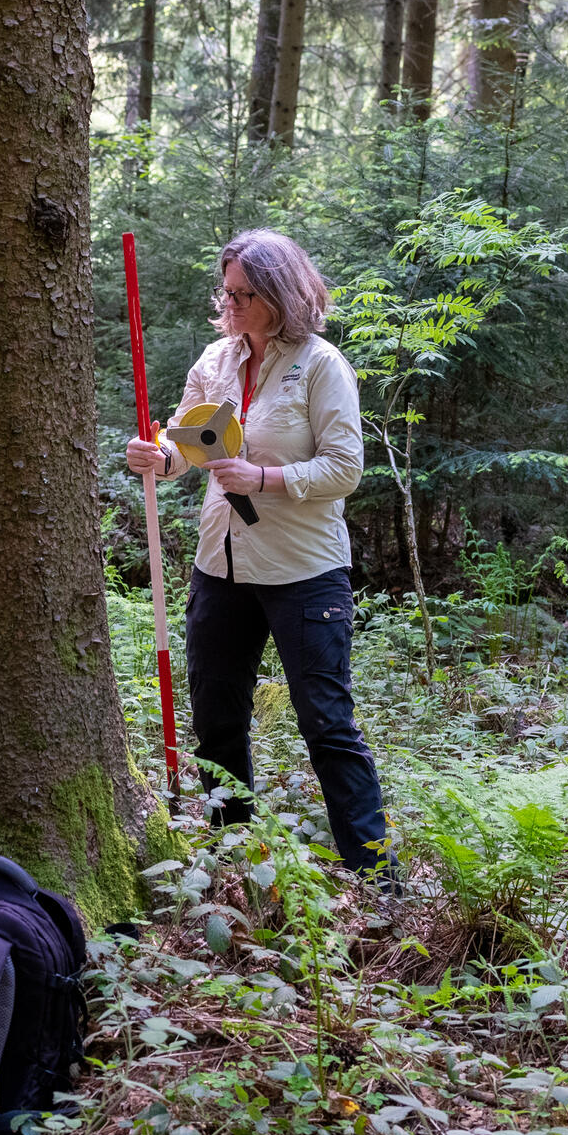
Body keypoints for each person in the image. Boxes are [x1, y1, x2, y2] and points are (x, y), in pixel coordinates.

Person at [124, 228, 394, 882]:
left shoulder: (321, 365)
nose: (233, 303)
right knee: (218, 723)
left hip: (305, 573)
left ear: (280, 293)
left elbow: (345, 468)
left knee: (327, 725)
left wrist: (266, 478)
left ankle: (377, 879)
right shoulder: (214, 361)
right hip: (221, 567)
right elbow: (187, 447)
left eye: (247, 293)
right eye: (228, 291)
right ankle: (234, 863)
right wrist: (157, 458)